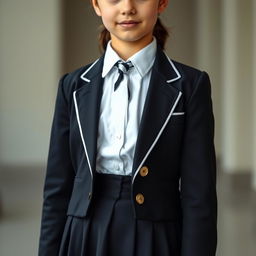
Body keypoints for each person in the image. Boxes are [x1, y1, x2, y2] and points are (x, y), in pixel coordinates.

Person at [38, 0, 217, 255]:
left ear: (162, 3)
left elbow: (199, 193)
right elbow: (57, 187)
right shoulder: (74, 86)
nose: (127, 7)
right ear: (96, 5)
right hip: (85, 231)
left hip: (156, 234)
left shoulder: (190, 85)